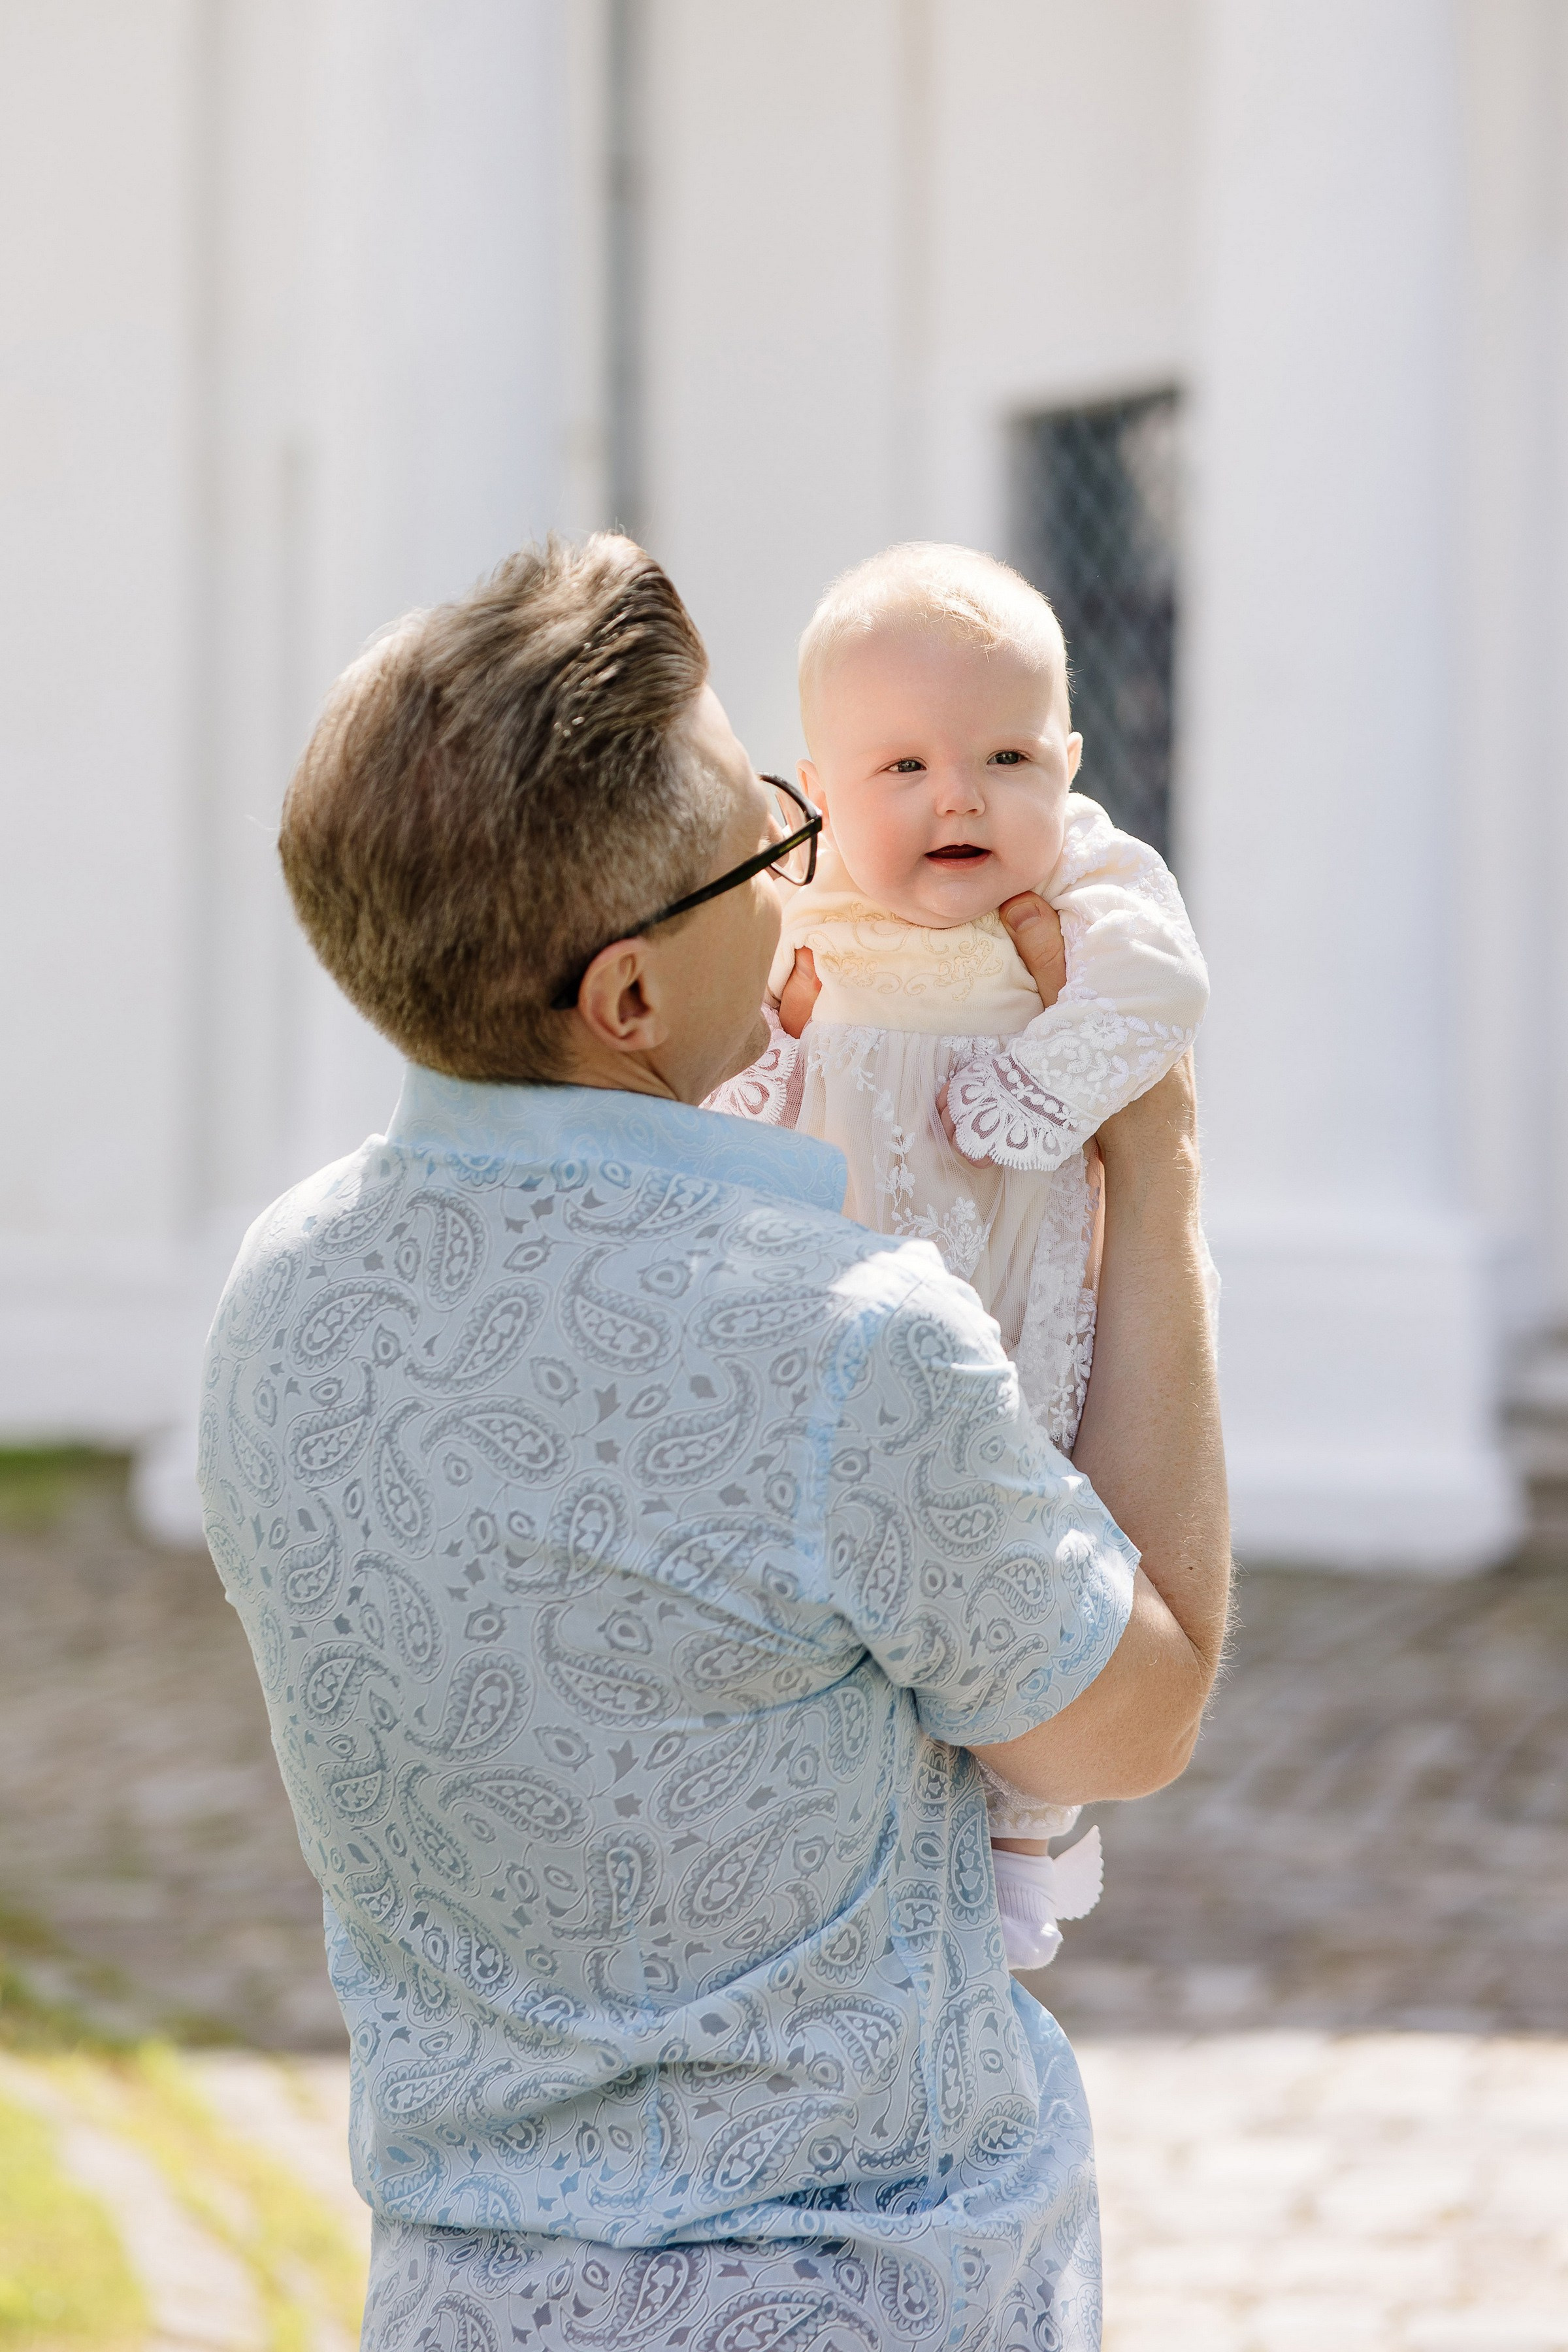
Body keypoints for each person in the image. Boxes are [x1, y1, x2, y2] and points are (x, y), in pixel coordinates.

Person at [199, 534, 1228, 2351]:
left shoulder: (279, 1297)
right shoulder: (839, 1339)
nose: (804, 868)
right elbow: (1138, 1714)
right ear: (626, 1001)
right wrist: (1154, 1180)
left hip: (457, 2296)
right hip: (863, 2287)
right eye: (767, 838)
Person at [710, 543, 1211, 1970]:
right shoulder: (794, 897)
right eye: (905, 769)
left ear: (1068, 758)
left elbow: (1160, 985)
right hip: (843, 1291)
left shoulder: (1092, 878)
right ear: (816, 785)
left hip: (1016, 1274)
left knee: (1031, 1506)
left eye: (1005, 756)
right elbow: (747, 1057)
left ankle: (1013, 1849)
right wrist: (762, 1075)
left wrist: (1051, 1083)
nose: (961, 798)